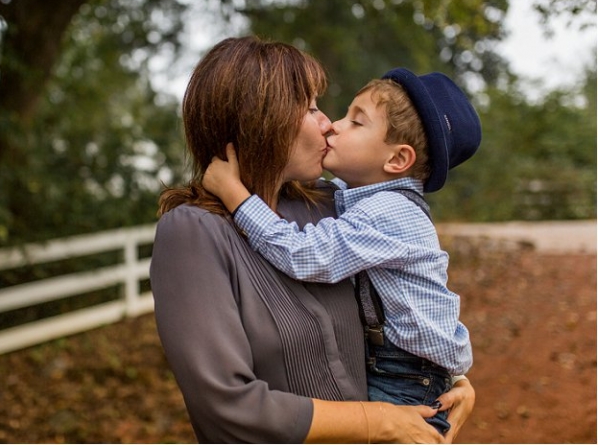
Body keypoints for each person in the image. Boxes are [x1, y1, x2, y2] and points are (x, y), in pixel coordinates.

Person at [150, 36, 475, 443]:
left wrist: (452, 377)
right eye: (311, 108)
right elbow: (226, 407)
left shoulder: (330, 204)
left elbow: (406, 296)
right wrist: (379, 421)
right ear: (260, 121)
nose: (328, 123)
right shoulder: (194, 233)